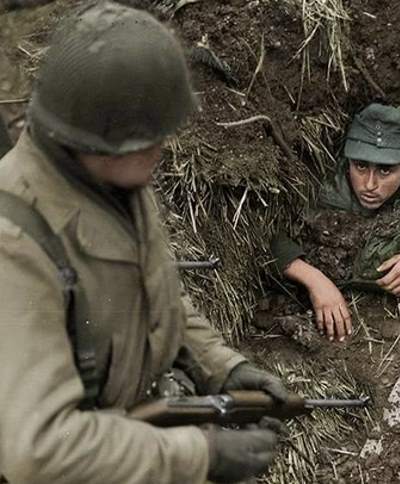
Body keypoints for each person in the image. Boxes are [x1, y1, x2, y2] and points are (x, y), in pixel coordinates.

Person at [0, 3, 287, 483]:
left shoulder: (113, 182)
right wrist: (200, 454)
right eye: (151, 136)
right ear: (100, 140)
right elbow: (39, 449)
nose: (163, 145)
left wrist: (220, 367)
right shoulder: (14, 242)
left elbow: (152, 292)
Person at [271, 103, 400, 343]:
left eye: (385, 171)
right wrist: (315, 280)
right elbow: (264, 235)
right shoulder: (319, 183)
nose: (369, 184)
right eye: (361, 166)